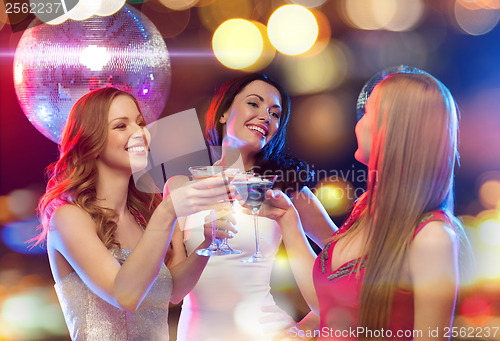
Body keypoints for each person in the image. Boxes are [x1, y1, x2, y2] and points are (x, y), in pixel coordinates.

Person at [258, 70, 468, 340]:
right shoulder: (364, 210)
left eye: (367, 113)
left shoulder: (432, 237)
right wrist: (290, 220)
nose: (358, 123)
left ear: (395, 129)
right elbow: (331, 302)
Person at [34, 87, 234, 341]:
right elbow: (125, 296)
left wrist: (209, 242)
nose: (140, 133)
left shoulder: (145, 215)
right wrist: (169, 210)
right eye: (121, 126)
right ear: (91, 142)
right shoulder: (68, 218)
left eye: (140, 123)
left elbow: (174, 291)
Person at [170, 73, 337, 341]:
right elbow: (174, 292)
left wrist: (307, 327)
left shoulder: (286, 190)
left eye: (275, 113)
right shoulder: (181, 188)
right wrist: (205, 246)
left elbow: (348, 270)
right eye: (254, 104)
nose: (265, 117)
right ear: (223, 112)